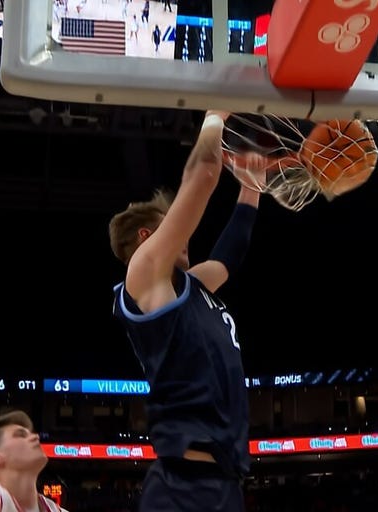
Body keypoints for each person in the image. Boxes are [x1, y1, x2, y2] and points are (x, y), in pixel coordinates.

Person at [108, 110, 261, 511]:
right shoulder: (144, 275)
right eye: (173, 226)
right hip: (183, 484)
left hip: (225, 482)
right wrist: (215, 115)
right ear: (147, 237)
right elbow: (203, 176)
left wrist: (251, 184)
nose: (186, 233)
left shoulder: (191, 286)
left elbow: (231, 254)